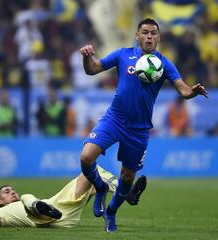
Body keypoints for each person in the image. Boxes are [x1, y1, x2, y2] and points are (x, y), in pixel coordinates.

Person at [79, 18, 208, 232]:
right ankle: (100, 187)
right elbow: (92, 69)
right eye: (145, 32)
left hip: (138, 129)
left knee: (127, 177)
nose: (149, 36)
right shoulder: (122, 54)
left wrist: (193, 91)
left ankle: (111, 212)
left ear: (158, 37)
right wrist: (87, 57)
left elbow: (184, 91)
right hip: (114, 119)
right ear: (137, 35)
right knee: (85, 157)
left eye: (153, 33)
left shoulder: (164, 64)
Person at [0, 166, 146, 228]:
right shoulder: (0, 212)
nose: (11, 192)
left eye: (12, 190)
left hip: (60, 213)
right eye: (6, 192)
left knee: (92, 174)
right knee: (27, 197)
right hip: (47, 216)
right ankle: (124, 192)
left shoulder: (18, 203)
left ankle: (125, 193)